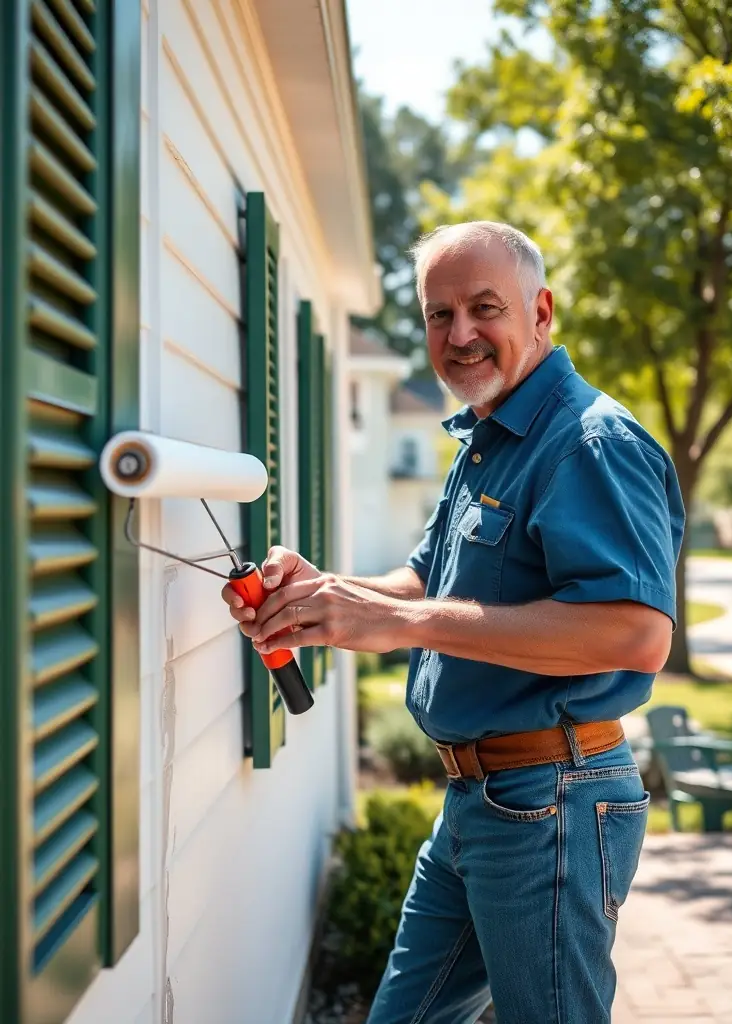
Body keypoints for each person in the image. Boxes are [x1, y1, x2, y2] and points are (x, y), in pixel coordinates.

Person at [221, 221, 685, 1024]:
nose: (460, 335)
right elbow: (426, 581)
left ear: (541, 312)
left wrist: (405, 624)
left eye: (483, 308)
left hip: (553, 801)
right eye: (440, 315)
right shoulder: (487, 437)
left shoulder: (588, 442)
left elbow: (633, 632)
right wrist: (321, 594)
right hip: (479, 799)